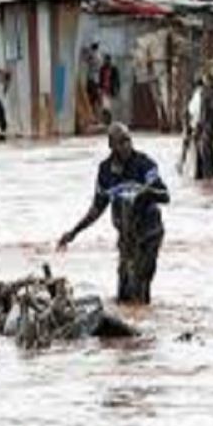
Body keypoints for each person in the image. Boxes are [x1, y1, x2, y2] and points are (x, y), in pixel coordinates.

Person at [58, 123, 170, 304]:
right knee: (123, 291)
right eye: (122, 142)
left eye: (128, 140)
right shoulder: (105, 171)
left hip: (149, 234)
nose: (127, 145)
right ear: (112, 145)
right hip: (127, 237)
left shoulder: (144, 164)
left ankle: (143, 324)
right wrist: (74, 232)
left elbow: (164, 196)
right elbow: (97, 208)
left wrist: (145, 193)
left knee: (140, 286)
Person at [99, 54, 120, 125]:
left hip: (111, 90)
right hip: (104, 90)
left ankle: (110, 121)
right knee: (105, 107)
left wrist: (117, 89)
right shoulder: (102, 69)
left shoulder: (114, 69)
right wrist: (100, 88)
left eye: (107, 60)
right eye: (105, 60)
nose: (106, 61)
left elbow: (117, 80)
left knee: (110, 107)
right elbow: (100, 79)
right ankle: (106, 121)